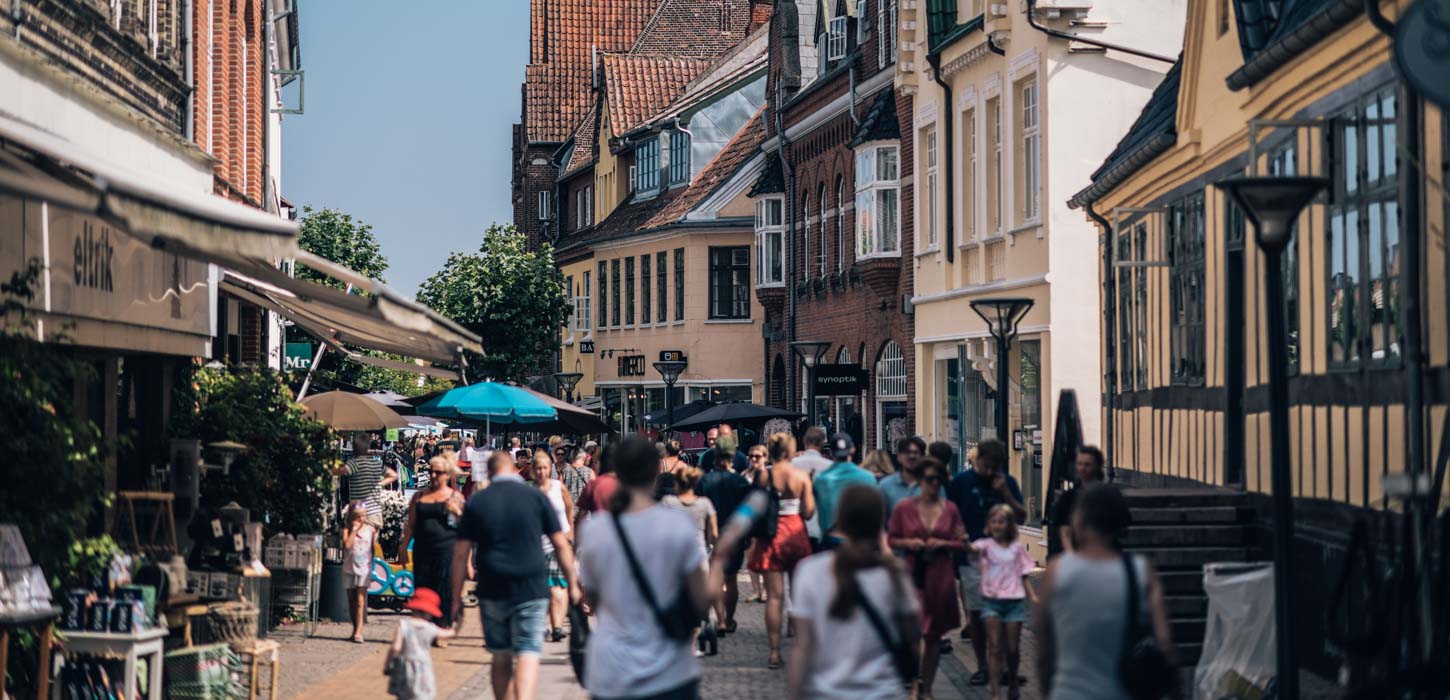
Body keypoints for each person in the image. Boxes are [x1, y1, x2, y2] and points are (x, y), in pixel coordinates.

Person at [577, 436, 733, 700]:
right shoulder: (677, 526)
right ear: (655, 473)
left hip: (612, 667)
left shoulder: (595, 531)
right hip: (669, 668)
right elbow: (699, 600)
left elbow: (592, 597)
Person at [450, 451, 579, 700]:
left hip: (492, 586)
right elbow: (561, 544)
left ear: (489, 473)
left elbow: (460, 554)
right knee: (528, 653)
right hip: (532, 585)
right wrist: (572, 584)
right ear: (514, 470)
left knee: (501, 654)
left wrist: (456, 597)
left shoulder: (478, 501)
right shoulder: (535, 497)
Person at [1036, 484, 1175, 700]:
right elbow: (1165, 642)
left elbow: (1044, 647)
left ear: (1078, 521)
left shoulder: (1057, 571)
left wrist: (1047, 691)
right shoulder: (1141, 572)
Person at [786, 485, 920, 700]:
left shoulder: (811, 571)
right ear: (880, 522)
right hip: (883, 692)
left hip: (827, 692)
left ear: (841, 521)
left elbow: (803, 646)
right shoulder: (895, 574)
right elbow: (913, 637)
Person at [946, 439, 1027, 685]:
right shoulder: (961, 483)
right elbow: (949, 514)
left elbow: (1021, 516)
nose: (990, 471)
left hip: (1003, 564)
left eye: (995, 466)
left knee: (1003, 616)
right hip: (972, 558)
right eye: (986, 465)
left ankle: (1002, 667)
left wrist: (1005, 493)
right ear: (977, 460)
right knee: (978, 616)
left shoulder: (1008, 482)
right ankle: (983, 665)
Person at [887, 458, 965, 699]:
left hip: (940, 576)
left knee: (933, 636)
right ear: (920, 481)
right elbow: (891, 539)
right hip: (913, 575)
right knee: (913, 633)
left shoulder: (949, 509)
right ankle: (912, 682)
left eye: (938, 481)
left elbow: (961, 541)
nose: (933, 485)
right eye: (929, 480)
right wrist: (909, 543)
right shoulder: (904, 508)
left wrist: (943, 543)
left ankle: (927, 687)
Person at [748, 433, 816, 670]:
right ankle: (799, 648)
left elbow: (754, 508)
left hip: (771, 535)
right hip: (796, 533)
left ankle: (774, 652)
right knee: (798, 595)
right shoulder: (800, 477)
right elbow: (808, 512)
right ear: (790, 451)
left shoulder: (763, 475)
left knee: (774, 597)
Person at [968, 504, 1037, 700]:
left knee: (1013, 649)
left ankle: (1013, 679)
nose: (998, 526)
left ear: (1009, 525)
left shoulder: (1017, 548)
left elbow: (1025, 574)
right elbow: (971, 550)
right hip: (991, 601)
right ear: (989, 525)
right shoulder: (984, 545)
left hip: (1014, 603)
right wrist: (963, 541)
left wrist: (1032, 595)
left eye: (1002, 522)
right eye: (994, 522)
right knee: (995, 646)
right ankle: (996, 692)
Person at [399, 457, 464, 641]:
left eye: (438, 472)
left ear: (448, 474)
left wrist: (457, 512)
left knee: (444, 589)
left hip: (446, 551)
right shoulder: (419, 496)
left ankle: (442, 627)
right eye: (431, 471)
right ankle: (424, 628)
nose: (434, 475)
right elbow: (410, 525)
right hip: (422, 550)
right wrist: (404, 547)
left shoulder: (455, 497)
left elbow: (466, 527)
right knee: (423, 589)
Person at [662, 466, 718, 657]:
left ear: (677, 484)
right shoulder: (705, 504)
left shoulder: (668, 502)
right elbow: (714, 533)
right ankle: (692, 645)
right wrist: (711, 544)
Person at [698, 446, 751, 633]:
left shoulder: (704, 480)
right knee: (731, 579)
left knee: (715, 577)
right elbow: (748, 511)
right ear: (732, 457)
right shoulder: (740, 482)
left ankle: (720, 619)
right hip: (734, 535)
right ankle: (728, 620)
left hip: (711, 535)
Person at [531, 450, 575, 643]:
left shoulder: (558, 486)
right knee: (543, 589)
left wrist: (570, 529)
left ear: (550, 469)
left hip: (560, 543)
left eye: (545, 468)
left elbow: (569, 506)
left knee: (558, 587)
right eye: (538, 468)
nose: (541, 472)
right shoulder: (529, 491)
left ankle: (557, 626)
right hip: (537, 545)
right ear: (533, 471)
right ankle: (546, 625)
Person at [385, 588, 457, 700]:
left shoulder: (403, 625)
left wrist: (388, 663)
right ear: (429, 612)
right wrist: (458, 624)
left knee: (404, 695)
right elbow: (448, 634)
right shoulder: (430, 628)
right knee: (423, 695)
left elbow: (395, 647)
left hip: (405, 665)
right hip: (423, 666)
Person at [812, 433, 879, 550]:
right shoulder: (868, 477)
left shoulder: (821, 479)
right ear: (852, 450)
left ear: (831, 452)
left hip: (831, 538)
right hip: (860, 540)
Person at [1050, 446, 1106, 553]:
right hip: (1077, 554)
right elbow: (1065, 531)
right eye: (1079, 464)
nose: (1082, 469)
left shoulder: (1109, 495)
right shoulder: (1068, 497)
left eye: (1087, 464)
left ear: (1098, 466)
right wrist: (1073, 556)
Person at [339, 432, 399, 522]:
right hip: (375, 512)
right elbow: (394, 475)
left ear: (355, 447)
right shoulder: (376, 462)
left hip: (359, 512)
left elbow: (340, 471)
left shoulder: (355, 463)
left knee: (355, 534)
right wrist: (378, 484)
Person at [793, 426, 833, 549]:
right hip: (822, 523)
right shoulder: (829, 466)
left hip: (797, 523)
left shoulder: (793, 464)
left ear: (805, 441)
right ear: (822, 443)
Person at [342, 501, 375, 643]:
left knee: (361, 600)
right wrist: (354, 530)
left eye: (363, 516)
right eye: (357, 517)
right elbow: (347, 545)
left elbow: (372, 549)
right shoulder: (347, 530)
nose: (361, 520)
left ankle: (359, 631)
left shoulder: (370, 530)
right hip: (349, 567)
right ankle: (355, 627)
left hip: (364, 568)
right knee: (351, 599)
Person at [743, 444, 770, 604]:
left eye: (758, 456)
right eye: (751, 456)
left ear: (765, 458)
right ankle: (755, 590)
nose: (754, 459)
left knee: (765, 557)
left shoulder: (769, 475)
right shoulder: (745, 474)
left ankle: (766, 590)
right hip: (749, 520)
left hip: (765, 521)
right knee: (751, 557)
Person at [879, 437, 937, 514]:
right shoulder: (885, 486)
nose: (912, 456)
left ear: (923, 457)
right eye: (907, 452)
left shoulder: (933, 484)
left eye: (916, 453)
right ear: (899, 457)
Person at [558, 447, 595, 522]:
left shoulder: (564, 471)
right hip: (584, 513)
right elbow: (594, 492)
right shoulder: (590, 472)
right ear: (583, 457)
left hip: (568, 511)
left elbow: (559, 491)